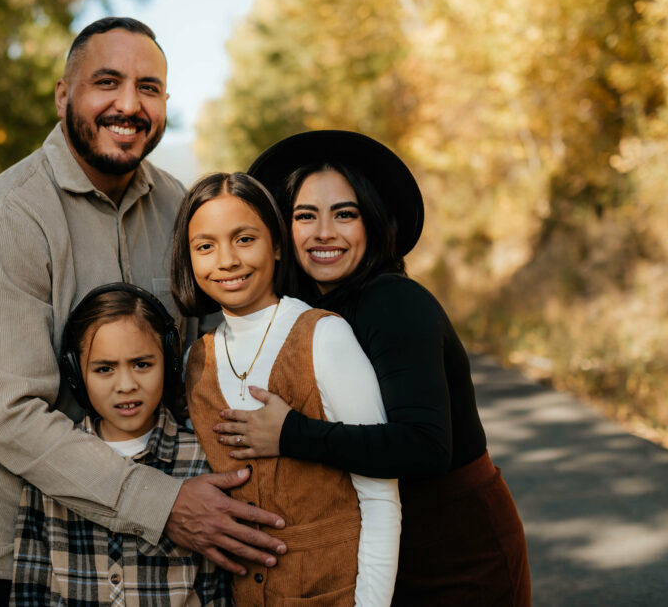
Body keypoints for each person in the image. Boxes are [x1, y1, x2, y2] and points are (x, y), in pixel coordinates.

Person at [0, 17, 286, 606]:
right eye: (107, 81)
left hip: (145, 567)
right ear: (64, 95)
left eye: (149, 88)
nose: (129, 104)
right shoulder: (5, 219)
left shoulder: (182, 210)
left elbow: (218, 361)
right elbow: (10, 416)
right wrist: (167, 505)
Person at [223, 130, 530, 605]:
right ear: (285, 231)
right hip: (377, 546)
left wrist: (290, 434)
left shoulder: (393, 301)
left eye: (345, 214)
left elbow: (426, 446)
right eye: (306, 216)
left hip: (455, 550)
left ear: (373, 223)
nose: (324, 232)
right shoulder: (307, 314)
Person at [170, 172, 401, 606]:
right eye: (205, 246)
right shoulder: (195, 362)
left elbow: (379, 496)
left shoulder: (323, 337)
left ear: (276, 245)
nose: (227, 260)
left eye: (244, 239)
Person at [10, 282, 230, 605]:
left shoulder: (200, 458)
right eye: (104, 369)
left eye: (142, 364)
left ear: (168, 364)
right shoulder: (51, 468)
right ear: (76, 375)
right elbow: (30, 589)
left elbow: (218, 590)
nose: (126, 385)